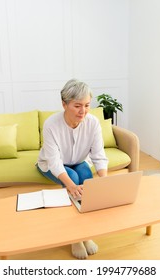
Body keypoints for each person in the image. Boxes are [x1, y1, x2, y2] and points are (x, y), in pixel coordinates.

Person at [37, 78, 108, 259]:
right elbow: (54, 162)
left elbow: (98, 155)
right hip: (51, 165)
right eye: (77, 106)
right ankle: (74, 237)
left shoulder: (92, 123)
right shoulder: (51, 124)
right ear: (64, 104)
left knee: (85, 174)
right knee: (73, 179)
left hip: (78, 161)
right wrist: (71, 185)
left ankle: (86, 232)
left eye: (87, 105)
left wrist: (105, 180)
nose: (83, 111)